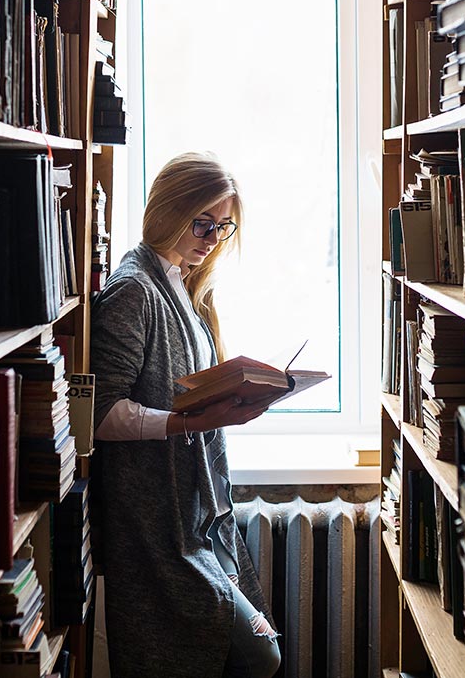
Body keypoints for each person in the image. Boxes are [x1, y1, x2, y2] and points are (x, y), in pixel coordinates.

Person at [90, 152, 282, 678]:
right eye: (203, 223)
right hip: (157, 525)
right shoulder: (134, 290)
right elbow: (101, 412)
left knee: (249, 649)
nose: (212, 238)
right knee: (259, 653)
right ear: (169, 208)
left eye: (223, 227)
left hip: (197, 515)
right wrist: (193, 422)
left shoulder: (181, 286)